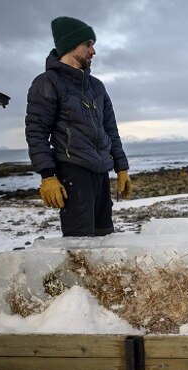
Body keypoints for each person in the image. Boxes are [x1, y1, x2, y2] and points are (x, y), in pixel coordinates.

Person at [25, 16, 132, 237]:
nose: (93, 51)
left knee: (104, 241)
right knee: (80, 247)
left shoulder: (96, 86)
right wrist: (47, 175)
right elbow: (36, 131)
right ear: (70, 45)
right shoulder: (47, 82)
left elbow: (110, 130)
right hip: (74, 173)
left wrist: (121, 168)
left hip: (101, 173)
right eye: (88, 44)